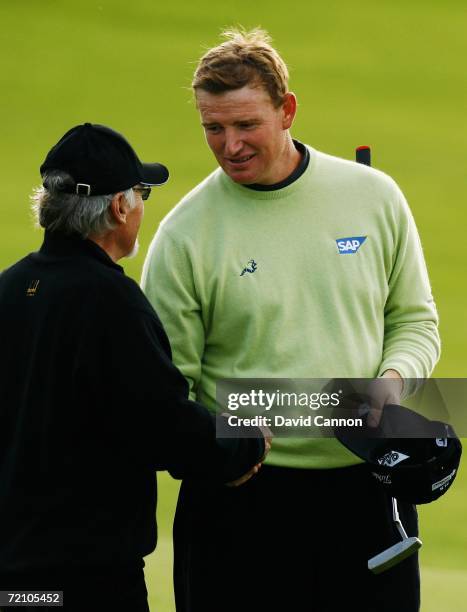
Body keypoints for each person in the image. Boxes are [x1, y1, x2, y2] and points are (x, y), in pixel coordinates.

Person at [141, 29, 440, 612]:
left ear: (287, 110)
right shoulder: (183, 234)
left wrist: (393, 383)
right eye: (213, 128)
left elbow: (415, 322)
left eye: (246, 124)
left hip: (368, 490)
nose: (229, 145)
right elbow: (167, 388)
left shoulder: (373, 196)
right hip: (239, 498)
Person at [0, 123, 269, 612]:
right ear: (119, 207)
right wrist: (243, 443)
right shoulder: (111, 300)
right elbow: (162, 422)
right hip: (88, 581)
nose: (143, 207)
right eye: (141, 193)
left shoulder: (9, 287)